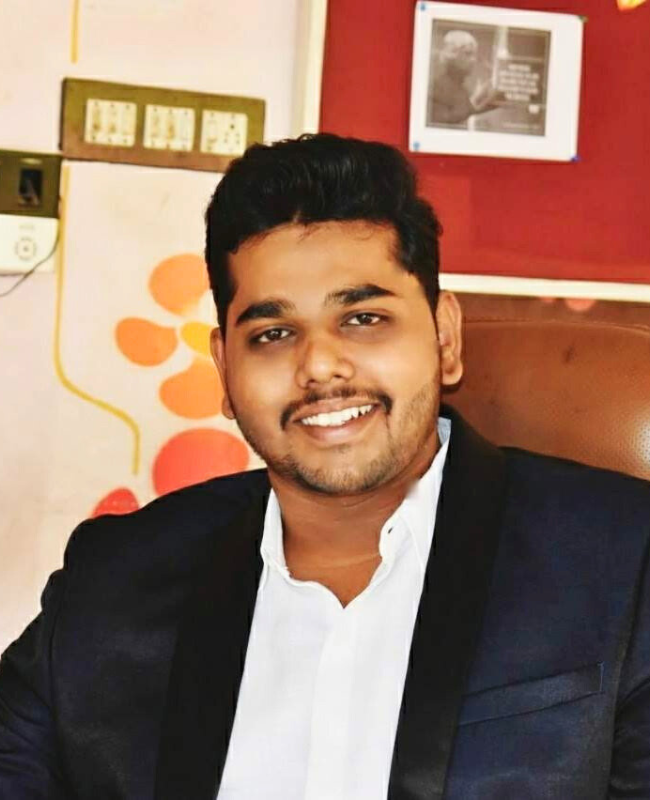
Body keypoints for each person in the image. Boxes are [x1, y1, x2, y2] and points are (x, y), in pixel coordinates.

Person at [0, 134, 649, 800]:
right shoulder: (112, 580)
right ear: (225, 369)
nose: (318, 365)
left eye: (363, 318)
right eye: (273, 334)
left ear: (445, 337)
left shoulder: (624, 563)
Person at [428, 30, 498, 127]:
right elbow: (443, 122)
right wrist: (475, 99)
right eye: (468, 54)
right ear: (452, 54)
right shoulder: (437, 86)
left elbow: (465, 113)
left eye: (474, 55)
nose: (473, 60)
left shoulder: (461, 88)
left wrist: (490, 101)